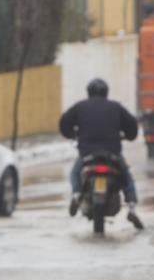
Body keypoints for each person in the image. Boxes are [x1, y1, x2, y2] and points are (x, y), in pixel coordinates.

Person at [60, 78, 144, 230]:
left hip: (87, 155)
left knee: (75, 173)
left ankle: (76, 194)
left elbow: (64, 123)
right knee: (127, 178)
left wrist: (72, 134)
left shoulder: (80, 107)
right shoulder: (116, 107)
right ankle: (132, 207)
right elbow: (132, 127)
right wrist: (128, 135)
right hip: (112, 155)